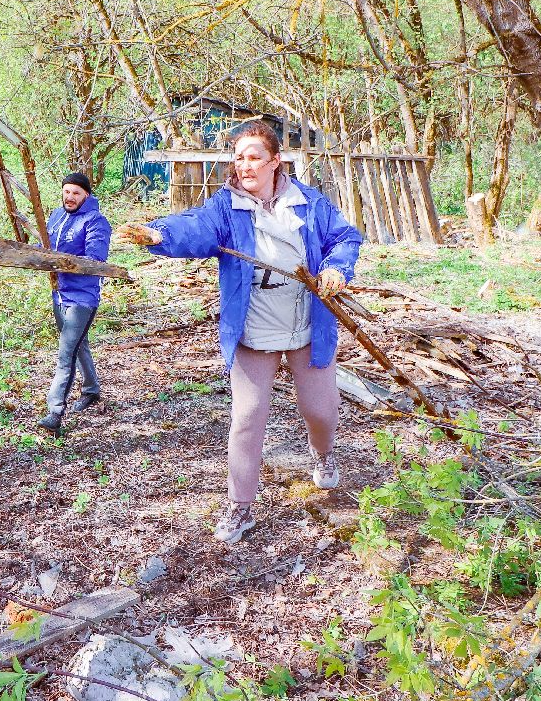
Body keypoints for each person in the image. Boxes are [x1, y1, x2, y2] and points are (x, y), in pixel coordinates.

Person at [114, 122, 362, 543]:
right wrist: (159, 234)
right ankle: (240, 505)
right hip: (253, 330)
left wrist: (337, 268)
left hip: (307, 326)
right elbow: (196, 228)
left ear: (274, 162)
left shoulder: (310, 204)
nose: (244, 165)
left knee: (319, 409)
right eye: (239, 157)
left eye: (253, 157)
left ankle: (323, 455)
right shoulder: (226, 208)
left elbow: (344, 237)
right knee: (246, 418)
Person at [39, 171, 111, 434]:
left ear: (86, 196)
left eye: (76, 193)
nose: (70, 197)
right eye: (67, 191)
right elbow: (43, 244)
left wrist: (60, 261)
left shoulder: (96, 222)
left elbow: (95, 260)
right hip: (59, 293)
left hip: (82, 297)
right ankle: (92, 390)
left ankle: (55, 413)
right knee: (79, 346)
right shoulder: (57, 216)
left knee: (66, 353)